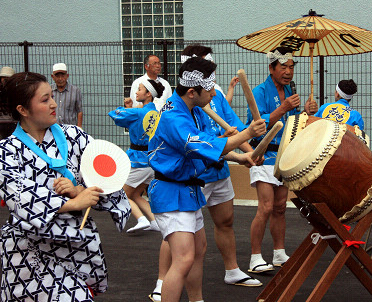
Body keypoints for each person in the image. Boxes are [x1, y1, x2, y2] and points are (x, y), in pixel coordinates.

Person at [0, 72, 131, 301]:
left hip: (76, 247)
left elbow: (108, 178)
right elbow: (18, 196)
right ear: (22, 110)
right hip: (28, 253)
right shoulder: (7, 151)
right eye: (44, 100)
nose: (53, 104)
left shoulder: (75, 137)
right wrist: (70, 203)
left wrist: (81, 191)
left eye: (52, 96)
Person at [147, 57, 266, 302]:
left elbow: (212, 144)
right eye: (209, 88)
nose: (214, 93)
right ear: (192, 92)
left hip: (189, 190)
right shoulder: (173, 117)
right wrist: (247, 134)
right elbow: (204, 145)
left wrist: (240, 158)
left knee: (198, 251)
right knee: (183, 258)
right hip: (170, 192)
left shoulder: (195, 110)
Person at [246, 46, 318, 273]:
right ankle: (255, 257)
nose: (288, 71)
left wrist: (306, 112)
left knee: (279, 208)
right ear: (272, 68)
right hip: (263, 154)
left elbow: (294, 123)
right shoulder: (259, 91)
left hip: (284, 154)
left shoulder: (290, 91)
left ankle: (279, 252)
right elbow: (255, 125)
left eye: (291, 67)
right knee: (265, 207)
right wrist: (284, 108)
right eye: (283, 67)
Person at [109, 79, 166, 233]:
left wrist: (127, 108)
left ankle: (141, 219)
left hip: (138, 161)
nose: (136, 92)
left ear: (148, 94)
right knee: (135, 194)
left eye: (139, 89)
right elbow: (136, 122)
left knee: (120, 193)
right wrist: (132, 108)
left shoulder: (139, 112)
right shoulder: (155, 111)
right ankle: (154, 221)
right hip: (151, 160)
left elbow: (116, 115)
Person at [50, 63, 84, 127]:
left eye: (63, 76)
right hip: (53, 128)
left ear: (67, 76)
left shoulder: (75, 91)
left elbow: (79, 111)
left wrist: (79, 127)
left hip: (70, 128)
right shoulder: (49, 90)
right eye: (57, 76)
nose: (60, 79)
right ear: (53, 77)